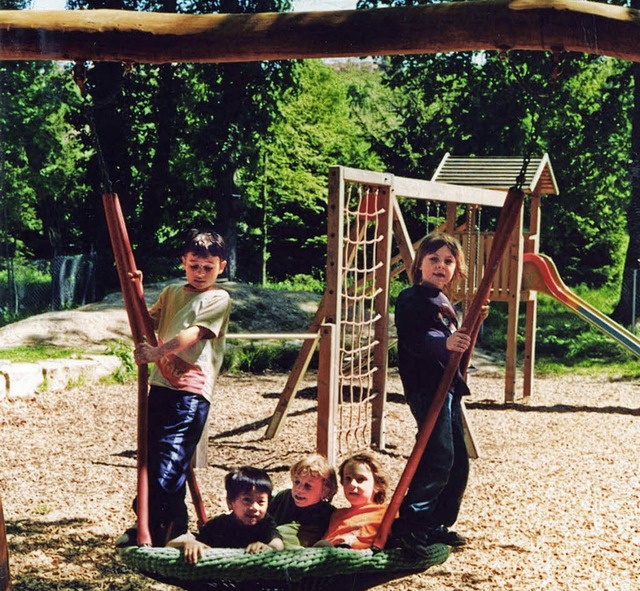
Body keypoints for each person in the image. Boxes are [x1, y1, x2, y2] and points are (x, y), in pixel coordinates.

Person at [132, 227, 231, 546]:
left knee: (170, 462)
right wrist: (136, 290)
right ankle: (153, 524)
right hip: (162, 385)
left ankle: (175, 529)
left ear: (222, 266)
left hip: (190, 391)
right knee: (150, 458)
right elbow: (145, 321)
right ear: (183, 262)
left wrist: (157, 352)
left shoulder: (218, 297)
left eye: (208, 267)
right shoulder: (172, 293)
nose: (200, 273)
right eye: (194, 265)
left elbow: (194, 334)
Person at [392, 231, 482, 555]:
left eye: (448, 261)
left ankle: (436, 523)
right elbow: (418, 339)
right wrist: (444, 342)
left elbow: (459, 343)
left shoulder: (444, 302)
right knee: (437, 455)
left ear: (456, 269)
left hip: (448, 388)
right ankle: (412, 527)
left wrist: (475, 322)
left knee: (458, 459)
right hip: (425, 386)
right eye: (434, 260)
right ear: (420, 265)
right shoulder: (410, 298)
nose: (440, 266)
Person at [168, 466, 284, 563]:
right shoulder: (218, 525)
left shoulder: (265, 524)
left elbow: (278, 543)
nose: (254, 507)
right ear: (230, 503)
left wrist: (270, 549)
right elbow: (170, 544)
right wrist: (188, 543)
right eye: (247, 500)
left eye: (261, 502)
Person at [319, 453, 389, 550]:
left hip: (362, 559)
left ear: (377, 485)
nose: (352, 484)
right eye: (348, 478)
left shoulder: (387, 512)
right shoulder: (337, 514)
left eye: (360, 479)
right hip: (330, 558)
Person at [268, 453, 337, 548]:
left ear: (324, 492)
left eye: (308, 486)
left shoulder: (329, 514)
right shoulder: (283, 498)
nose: (299, 489)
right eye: (297, 482)